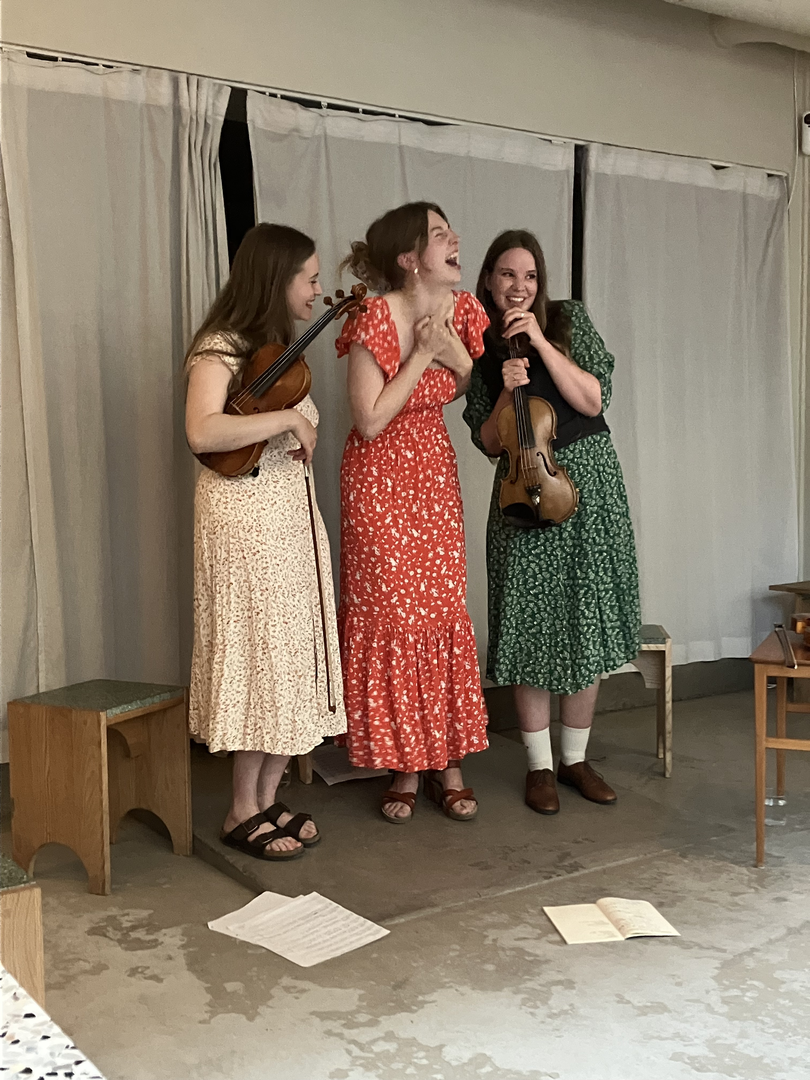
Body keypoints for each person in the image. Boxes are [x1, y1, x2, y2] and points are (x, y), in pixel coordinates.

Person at [463, 230, 640, 815]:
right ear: (489, 280)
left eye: (530, 276)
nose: (519, 286)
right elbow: (487, 439)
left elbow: (593, 399)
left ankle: (575, 760)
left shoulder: (568, 320)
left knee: (585, 615)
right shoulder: (480, 343)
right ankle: (539, 767)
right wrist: (503, 391)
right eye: (508, 275)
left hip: (588, 485)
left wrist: (540, 341)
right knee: (528, 620)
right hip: (523, 488)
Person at [184, 223, 346, 860]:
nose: (318, 291)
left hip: (289, 520)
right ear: (277, 279)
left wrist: (289, 421)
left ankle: (267, 797)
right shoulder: (221, 347)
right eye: (310, 278)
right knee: (260, 660)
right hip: (244, 520)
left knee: (292, 660)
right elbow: (202, 432)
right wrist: (285, 418)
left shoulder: (276, 352)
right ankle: (239, 810)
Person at [336, 202, 489, 823]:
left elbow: (473, 382)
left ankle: (447, 761)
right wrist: (425, 353)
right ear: (409, 258)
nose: (455, 240)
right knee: (396, 617)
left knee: (442, 611)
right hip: (379, 478)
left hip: (433, 472)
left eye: (451, 230)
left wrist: (455, 355)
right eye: (439, 234)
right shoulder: (375, 316)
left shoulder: (465, 309)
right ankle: (404, 764)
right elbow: (369, 420)